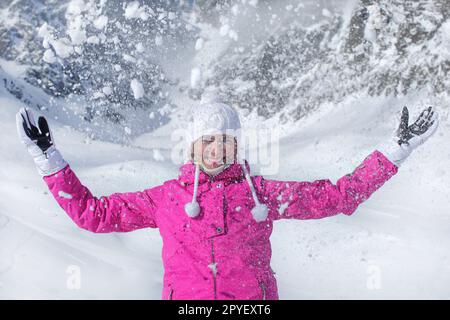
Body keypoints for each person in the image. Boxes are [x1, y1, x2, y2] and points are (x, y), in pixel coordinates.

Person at [16, 101, 439, 300]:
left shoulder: (263, 195)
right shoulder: (167, 199)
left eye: (225, 140)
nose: (217, 149)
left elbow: (340, 197)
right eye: (208, 141)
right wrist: (48, 158)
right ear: (192, 147)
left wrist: (395, 150)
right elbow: (94, 215)